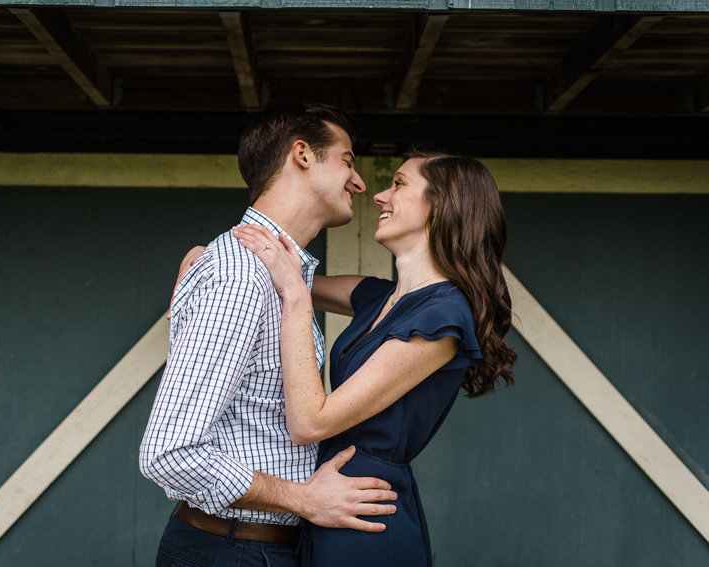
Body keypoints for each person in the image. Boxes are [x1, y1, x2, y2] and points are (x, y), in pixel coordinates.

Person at [139, 103, 398, 567]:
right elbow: (170, 453)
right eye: (348, 160)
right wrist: (303, 499)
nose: (360, 183)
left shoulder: (275, 275)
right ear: (302, 154)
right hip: (231, 550)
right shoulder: (239, 276)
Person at [231, 149, 517, 567]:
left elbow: (311, 421)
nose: (380, 196)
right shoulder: (378, 296)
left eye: (398, 184)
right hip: (328, 500)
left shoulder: (443, 318)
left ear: (442, 204)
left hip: (366, 515)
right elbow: (271, 272)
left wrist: (295, 295)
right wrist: (204, 257)